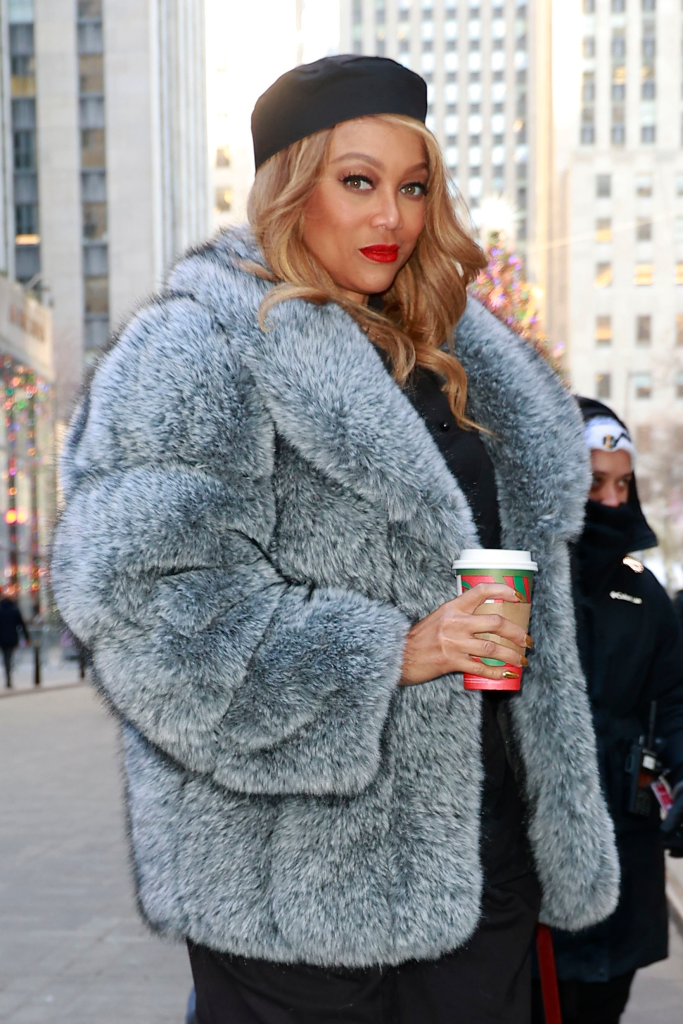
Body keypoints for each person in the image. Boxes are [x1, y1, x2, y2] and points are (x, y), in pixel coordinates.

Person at [51, 56, 618, 1023]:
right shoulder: (199, 348)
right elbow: (146, 608)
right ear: (290, 187)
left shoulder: (454, 358)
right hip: (295, 879)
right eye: (357, 182)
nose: (390, 217)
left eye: (411, 187)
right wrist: (391, 651)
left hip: (481, 858)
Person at [532, 398, 683, 1024]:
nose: (614, 502)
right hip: (529, 881)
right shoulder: (516, 586)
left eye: (623, 484)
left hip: (625, 862)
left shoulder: (644, 595)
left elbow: (673, 706)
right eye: (595, 483)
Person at [0, 588, 30, 687]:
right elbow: (22, 625)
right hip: (11, 638)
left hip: (1, 638)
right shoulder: (14, 609)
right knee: (8, 657)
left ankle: (8, 675)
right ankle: (8, 677)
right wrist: (27, 637)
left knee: (6, 657)